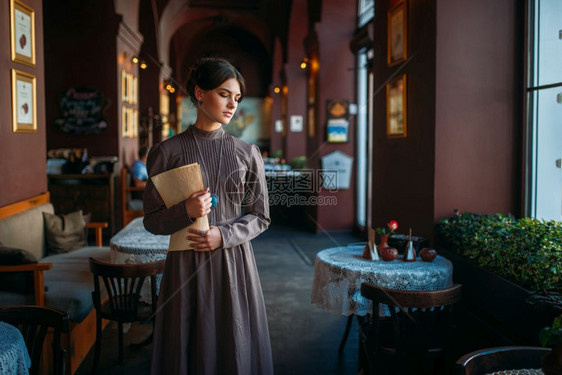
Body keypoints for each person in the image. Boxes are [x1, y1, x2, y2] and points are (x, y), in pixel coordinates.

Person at [143, 57, 273, 374]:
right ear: (200, 93)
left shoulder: (248, 152)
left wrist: (223, 235)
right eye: (224, 94)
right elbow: (152, 220)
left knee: (235, 343)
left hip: (234, 262)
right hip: (184, 265)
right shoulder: (165, 152)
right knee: (187, 346)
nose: (232, 105)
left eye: (237, 98)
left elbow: (261, 216)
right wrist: (185, 211)